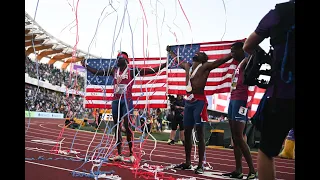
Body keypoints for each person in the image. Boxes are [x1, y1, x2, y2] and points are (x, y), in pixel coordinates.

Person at [82, 51, 167, 163]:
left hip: (127, 101)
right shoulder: (114, 70)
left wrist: (165, 64)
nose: (117, 60)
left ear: (126, 60)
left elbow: (151, 71)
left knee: (127, 126)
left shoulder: (132, 70)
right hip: (116, 101)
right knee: (117, 126)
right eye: (117, 58)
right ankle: (119, 153)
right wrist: (85, 65)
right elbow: (97, 72)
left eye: (120, 58)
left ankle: (132, 154)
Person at [243, 1, 295, 179]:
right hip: (281, 94)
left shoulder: (279, 13)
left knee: (266, 151)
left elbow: (248, 46)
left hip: (281, 94)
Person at [167, 45, 233, 174]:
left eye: (201, 53)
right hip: (189, 102)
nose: (198, 53)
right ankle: (187, 162)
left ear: (204, 58)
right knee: (186, 132)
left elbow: (219, 62)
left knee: (200, 132)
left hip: (199, 101)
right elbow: (177, 60)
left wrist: (232, 54)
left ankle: (200, 164)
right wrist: (170, 52)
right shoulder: (187, 66)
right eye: (197, 52)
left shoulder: (205, 66)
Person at [222, 42, 257, 179]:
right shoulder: (238, 64)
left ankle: (253, 171)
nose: (231, 54)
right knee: (235, 138)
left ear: (240, 50)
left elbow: (255, 56)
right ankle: (238, 170)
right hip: (233, 99)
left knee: (239, 137)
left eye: (233, 51)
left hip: (241, 101)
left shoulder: (247, 60)